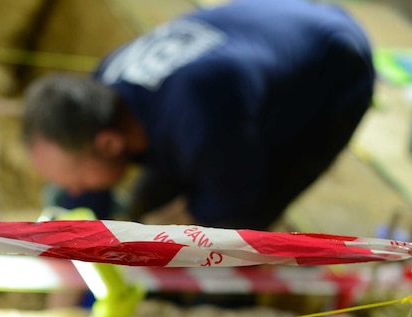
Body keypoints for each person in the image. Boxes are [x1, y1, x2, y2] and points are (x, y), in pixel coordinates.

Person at [22, 0, 375, 231]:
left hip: (335, 61)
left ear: (110, 142)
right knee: (150, 205)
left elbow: (233, 194)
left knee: (237, 214)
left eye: (76, 180)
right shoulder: (106, 81)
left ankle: (220, 305)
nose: (74, 189)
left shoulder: (201, 113)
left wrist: (181, 222)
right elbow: (87, 206)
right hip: (266, 30)